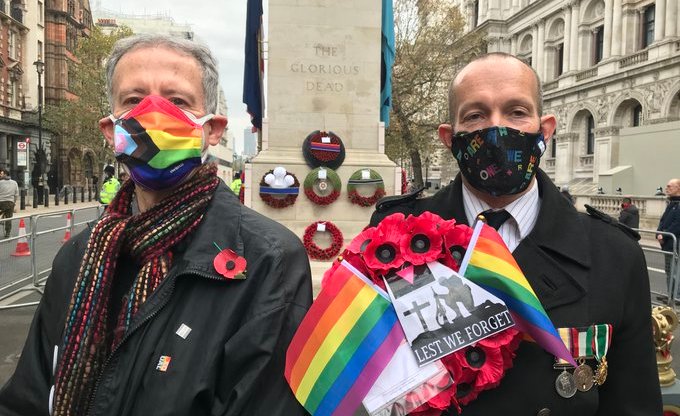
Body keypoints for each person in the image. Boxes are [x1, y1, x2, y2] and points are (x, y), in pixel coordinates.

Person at [0, 34, 312, 416]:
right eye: (134, 101)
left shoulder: (268, 261)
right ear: (111, 130)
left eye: (177, 101)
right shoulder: (78, 257)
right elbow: (27, 399)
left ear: (211, 129)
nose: (154, 115)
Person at [371, 53, 661, 414]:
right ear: (449, 137)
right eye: (476, 115)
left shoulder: (613, 254)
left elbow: (633, 404)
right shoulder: (395, 236)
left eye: (517, 112)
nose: (497, 129)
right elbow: (365, 378)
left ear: (546, 129)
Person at [657, 178, 680, 291]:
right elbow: (663, 220)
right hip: (668, 243)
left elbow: (677, 224)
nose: (666, 189)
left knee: (674, 271)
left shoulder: (678, 204)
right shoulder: (672, 203)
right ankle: (670, 294)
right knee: (669, 270)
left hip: (674, 244)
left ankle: (676, 297)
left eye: (669, 186)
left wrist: (664, 235)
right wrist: (658, 234)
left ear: (678, 188)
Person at [0, 168, 19, 238]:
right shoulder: (14, 183)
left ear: (5, 174)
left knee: (4, 210)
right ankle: (8, 233)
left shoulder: (0, 182)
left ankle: (2, 218)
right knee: (9, 218)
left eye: (2, 174)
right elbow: (16, 194)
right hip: (10, 202)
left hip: (0, 202)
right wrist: (14, 202)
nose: (1, 175)